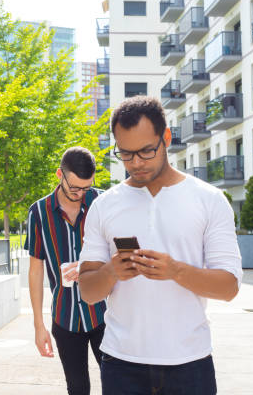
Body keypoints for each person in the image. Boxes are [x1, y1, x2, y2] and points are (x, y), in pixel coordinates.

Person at [78, 96, 243, 395]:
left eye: (146, 151)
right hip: (121, 363)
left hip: (190, 363)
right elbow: (87, 292)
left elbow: (229, 287)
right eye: (125, 154)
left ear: (166, 138)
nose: (136, 163)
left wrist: (175, 270)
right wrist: (111, 272)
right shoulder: (104, 206)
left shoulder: (209, 200)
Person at [26, 146, 106, 395]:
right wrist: (39, 325)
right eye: (75, 188)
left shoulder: (103, 202)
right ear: (60, 174)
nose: (81, 193)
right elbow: (36, 269)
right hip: (65, 317)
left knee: (118, 385)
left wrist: (87, 267)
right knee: (77, 388)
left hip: (107, 315)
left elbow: (122, 254)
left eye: (86, 187)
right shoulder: (38, 212)